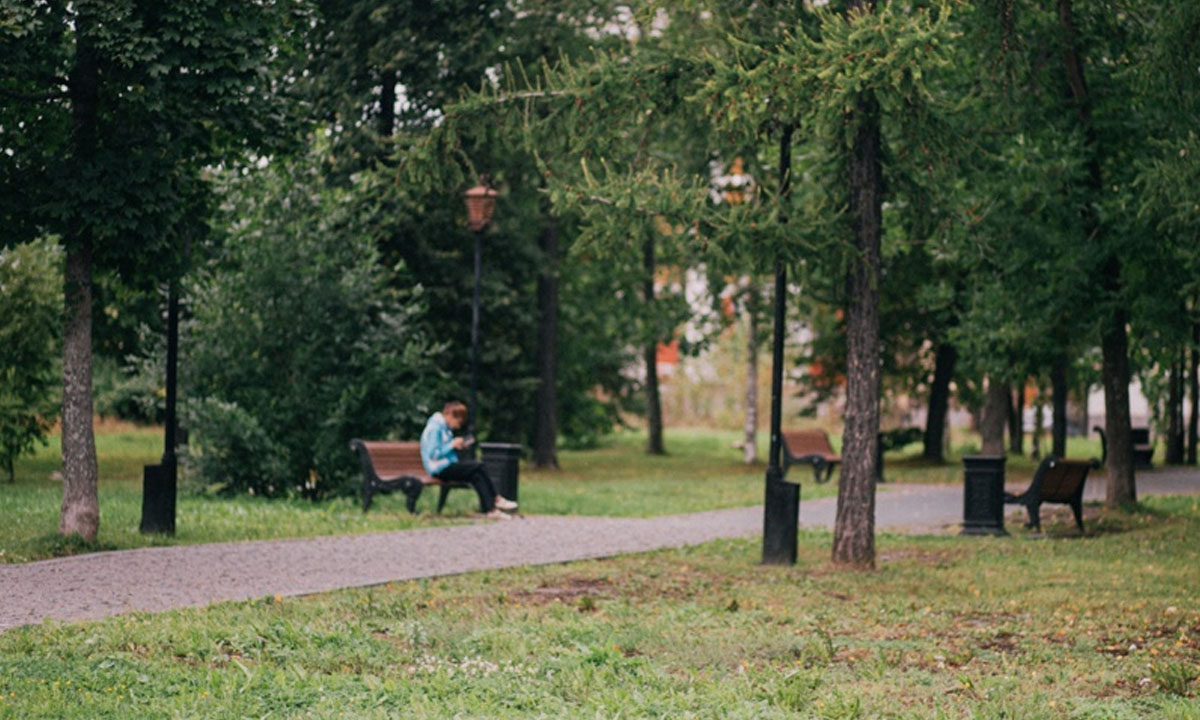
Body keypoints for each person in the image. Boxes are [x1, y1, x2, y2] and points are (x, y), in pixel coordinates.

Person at [420, 401, 518, 519]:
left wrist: (458, 446)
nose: (459, 426)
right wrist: (451, 445)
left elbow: (444, 450)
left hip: (447, 465)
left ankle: (491, 509)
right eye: (459, 422)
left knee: (476, 475)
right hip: (439, 469)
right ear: (451, 415)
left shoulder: (444, 428)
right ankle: (496, 498)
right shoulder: (435, 428)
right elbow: (433, 454)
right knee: (479, 466)